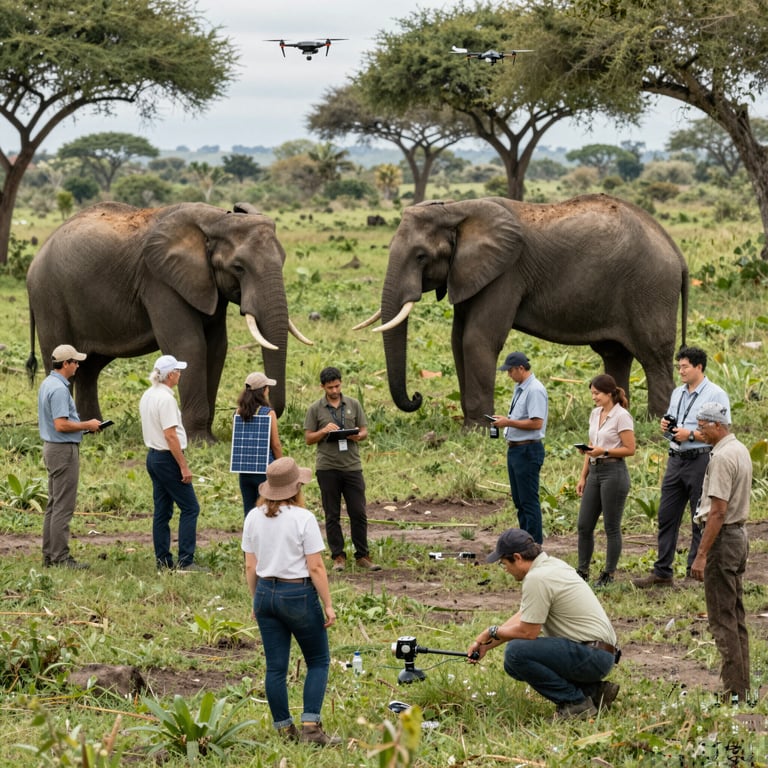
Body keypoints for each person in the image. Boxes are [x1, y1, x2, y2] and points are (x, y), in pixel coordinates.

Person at [468, 528, 620, 720]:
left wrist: (491, 631)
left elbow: (528, 632)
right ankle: (592, 692)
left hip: (592, 656)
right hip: (600, 653)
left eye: (504, 563)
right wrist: (486, 645)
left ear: (518, 557)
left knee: (516, 653)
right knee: (513, 663)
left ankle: (575, 703)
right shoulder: (551, 565)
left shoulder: (536, 578)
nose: (505, 569)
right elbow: (524, 615)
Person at [242, 457, 340, 745]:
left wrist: (255, 600)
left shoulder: (253, 516)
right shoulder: (303, 518)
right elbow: (316, 567)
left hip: (265, 593)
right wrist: (328, 604)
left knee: (275, 667)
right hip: (297, 593)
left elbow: (250, 565)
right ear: (297, 487)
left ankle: (284, 729)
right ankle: (311, 727)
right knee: (318, 660)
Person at [634, 346, 730, 588]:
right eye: (679, 367)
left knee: (699, 516)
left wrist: (690, 435)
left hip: (700, 458)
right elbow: (672, 422)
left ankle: (694, 573)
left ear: (699, 367)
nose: (681, 371)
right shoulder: (677, 392)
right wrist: (667, 427)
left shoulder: (716, 393)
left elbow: (722, 431)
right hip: (675, 459)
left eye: (685, 366)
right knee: (666, 515)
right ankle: (662, 572)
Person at [690, 402, 751, 703]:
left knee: (721, 616)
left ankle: (734, 693)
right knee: (735, 613)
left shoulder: (723, 457)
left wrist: (702, 553)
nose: (699, 431)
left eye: (702, 426)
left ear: (717, 425)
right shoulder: (739, 448)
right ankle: (741, 686)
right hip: (738, 536)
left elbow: (717, 511)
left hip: (724, 539)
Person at [304, 366, 381, 572]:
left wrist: (358, 435)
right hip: (327, 467)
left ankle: (362, 555)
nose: (335, 391)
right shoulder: (315, 409)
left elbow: (364, 430)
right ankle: (338, 556)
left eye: (337, 386)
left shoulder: (353, 405)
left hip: (352, 466)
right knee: (332, 514)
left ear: (341, 383)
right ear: (322, 387)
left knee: (358, 511)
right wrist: (323, 431)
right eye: (330, 388)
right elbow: (308, 438)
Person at [37, 344, 103, 569]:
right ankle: (60, 558)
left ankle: (50, 555)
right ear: (65, 364)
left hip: (53, 448)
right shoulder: (58, 389)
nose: (77, 365)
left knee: (54, 505)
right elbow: (61, 424)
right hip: (62, 451)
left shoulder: (48, 383)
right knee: (63, 507)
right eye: (75, 362)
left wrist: (82, 428)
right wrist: (88, 424)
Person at [139, 354, 205, 572]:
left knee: (162, 510)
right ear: (170, 375)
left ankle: (163, 560)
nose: (180, 374)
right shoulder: (166, 399)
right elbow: (170, 435)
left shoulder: (149, 395)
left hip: (153, 457)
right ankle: (186, 560)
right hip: (167, 458)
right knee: (190, 507)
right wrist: (183, 466)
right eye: (177, 371)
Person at [576, 374, 636, 588]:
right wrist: (583, 475)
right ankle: (582, 570)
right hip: (595, 469)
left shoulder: (621, 416)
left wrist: (606, 450)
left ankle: (608, 573)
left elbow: (630, 449)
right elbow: (592, 445)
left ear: (610, 393)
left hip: (614, 471)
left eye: (597, 393)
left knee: (611, 525)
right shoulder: (595, 414)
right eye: (592, 393)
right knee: (584, 525)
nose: (594, 397)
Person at [491, 352, 548, 544]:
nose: (509, 375)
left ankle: (534, 546)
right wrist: (506, 421)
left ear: (521, 369)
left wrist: (508, 422)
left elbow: (536, 423)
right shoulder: (521, 388)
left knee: (529, 502)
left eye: (510, 371)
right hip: (516, 450)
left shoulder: (534, 390)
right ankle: (525, 542)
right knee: (519, 501)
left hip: (527, 450)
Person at [232, 371, 283, 516]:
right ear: (263, 391)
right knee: (267, 511)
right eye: (267, 387)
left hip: (244, 469)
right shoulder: (268, 413)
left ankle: (249, 539)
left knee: (249, 513)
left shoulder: (238, 412)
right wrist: (281, 465)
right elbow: (275, 444)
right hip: (264, 470)